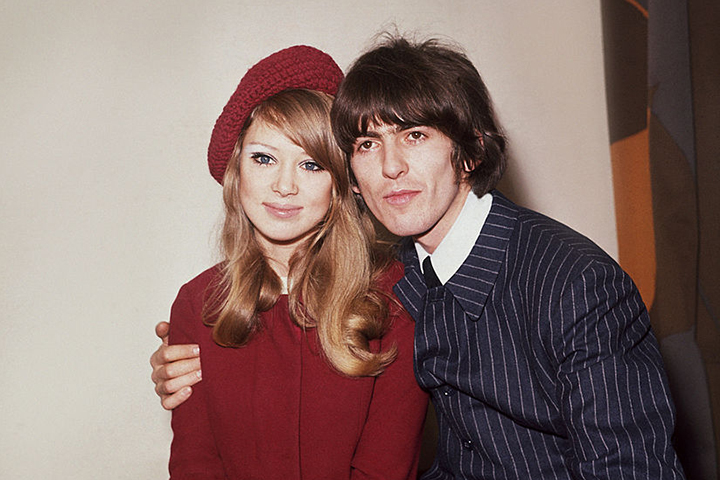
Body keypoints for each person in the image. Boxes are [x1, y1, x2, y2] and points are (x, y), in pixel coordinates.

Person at [153, 36, 685, 479]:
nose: (390, 167)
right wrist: (185, 363)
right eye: (367, 144)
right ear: (353, 178)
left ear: (471, 151)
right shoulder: (414, 274)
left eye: (415, 135)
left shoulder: (573, 283)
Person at [162, 45, 428, 480]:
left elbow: (385, 468)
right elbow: (196, 464)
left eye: (311, 165)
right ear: (236, 169)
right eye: (264, 158)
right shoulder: (198, 304)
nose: (284, 185)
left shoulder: (396, 298)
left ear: (341, 184)